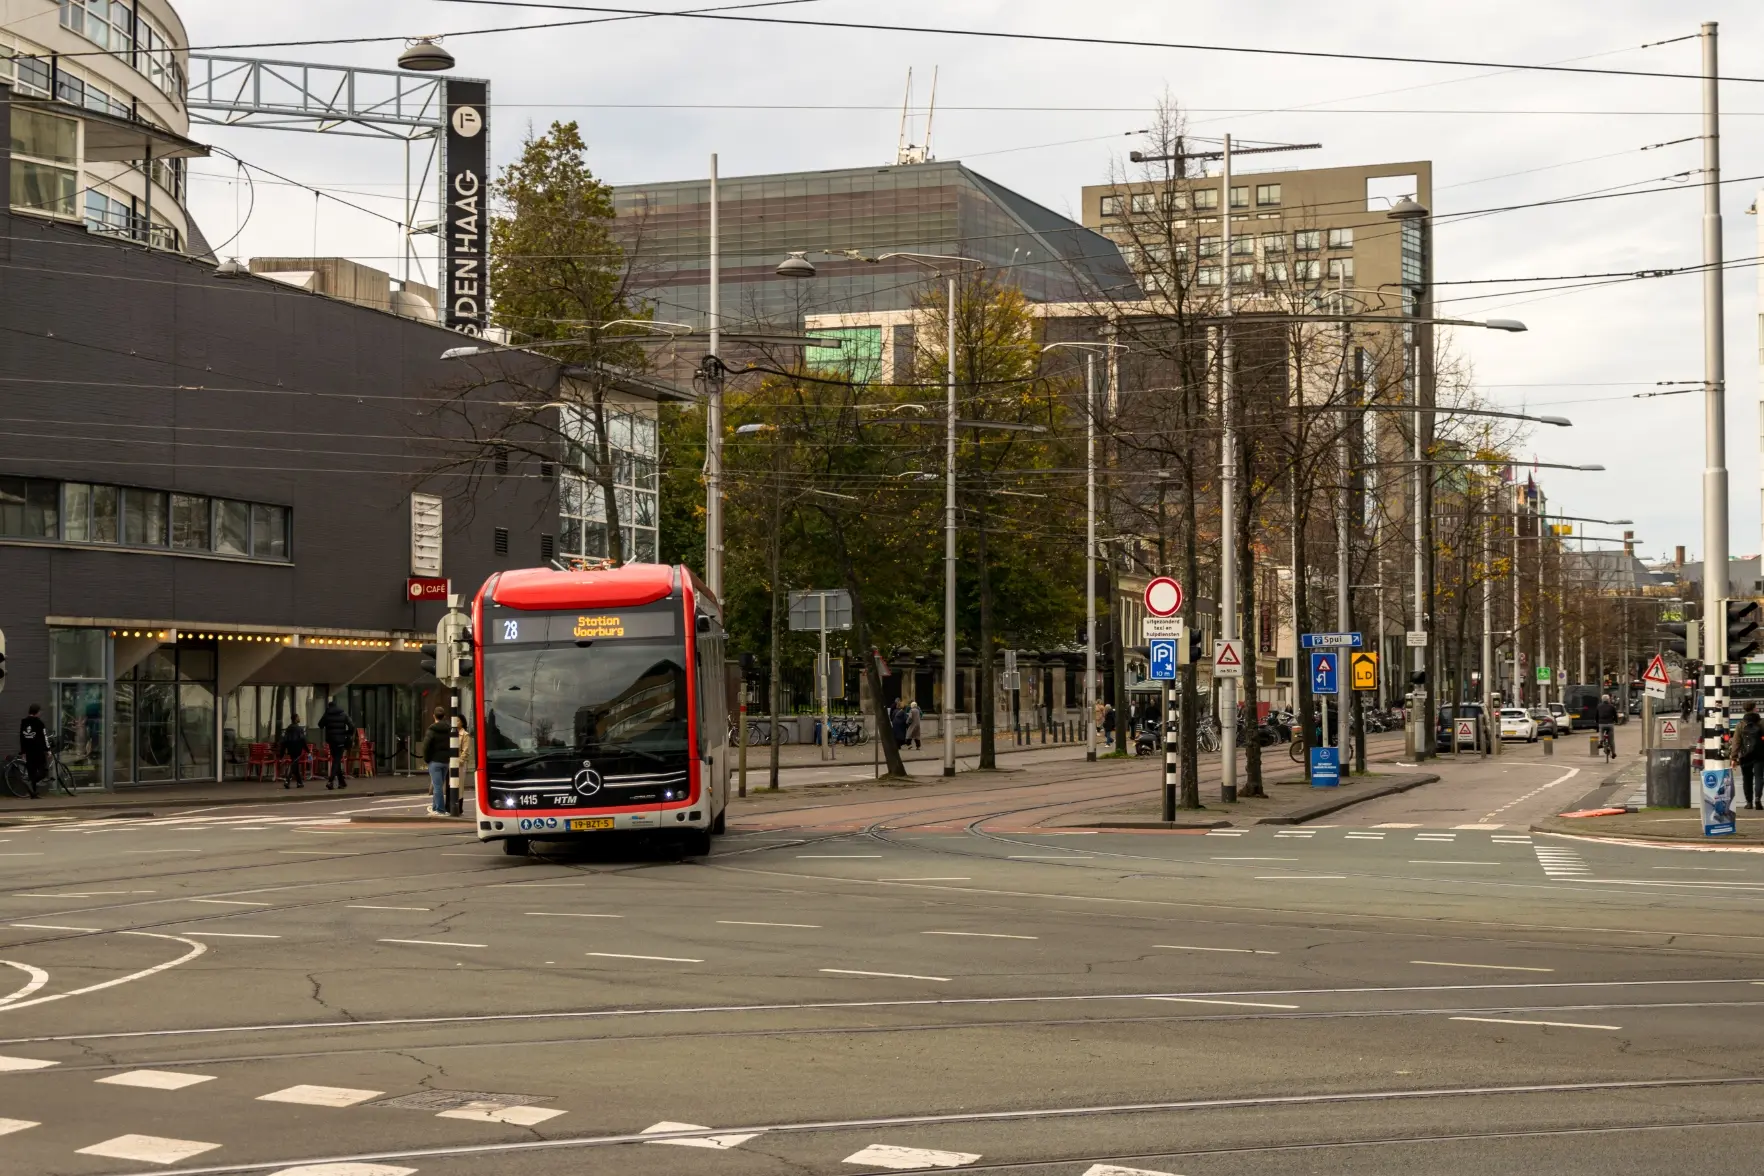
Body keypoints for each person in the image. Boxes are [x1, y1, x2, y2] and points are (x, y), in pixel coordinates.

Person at [318, 698, 355, 791]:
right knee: (337, 760)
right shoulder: (343, 714)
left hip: (331, 740)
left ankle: (341, 782)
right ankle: (331, 781)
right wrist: (347, 734)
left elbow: (320, 725)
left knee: (336, 760)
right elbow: (352, 726)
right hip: (341, 740)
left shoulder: (327, 714)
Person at [422, 707, 451, 816]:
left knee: (437, 786)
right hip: (445, 761)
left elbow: (426, 746)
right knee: (439, 785)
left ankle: (440, 809)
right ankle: (435, 808)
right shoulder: (449, 729)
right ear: (444, 716)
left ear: (433, 716)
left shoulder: (432, 730)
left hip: (434, 760)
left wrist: (427, 759)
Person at [17, 703, 48, 799]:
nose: (40, 713)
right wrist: (48, 750)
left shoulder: (24, 722)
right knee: (44, 771)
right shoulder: (39, 723)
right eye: (40, 712)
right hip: (38, 751)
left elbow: (22, 737)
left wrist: (23, 752)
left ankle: (33, 794)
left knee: (32, 772)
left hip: (28, 752)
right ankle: (31, 783)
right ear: (37, 712)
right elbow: (44, 737)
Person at [1740, 708, 1764, 810]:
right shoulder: (1762, 724)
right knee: (1759, 777)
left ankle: (1749, 802)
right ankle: (1757, 798)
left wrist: (1734, 756)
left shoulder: (1740, 725)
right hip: (1759, 755)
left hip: (1745, 756)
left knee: (1747, 778)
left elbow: (1736, 741)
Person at [280, 715, 308, 789]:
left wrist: (282, 752)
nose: (299, 718)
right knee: (293, 764)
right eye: (298, 717)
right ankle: (287, 780)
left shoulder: (288, 729)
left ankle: (299, 782)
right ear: (295, 719)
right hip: (297, 749)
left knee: (295, 764)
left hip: (290, 749)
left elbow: (284, 741)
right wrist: (308, 750)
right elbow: (303, 740)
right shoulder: (299, 729)